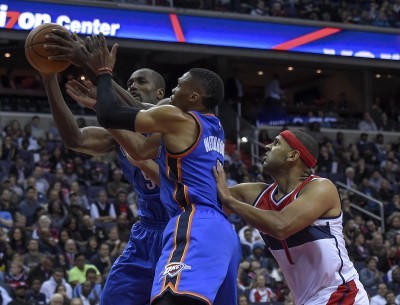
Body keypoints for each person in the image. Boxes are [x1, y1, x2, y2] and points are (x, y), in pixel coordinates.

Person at [62, 33, 241, 305]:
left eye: (178, 86)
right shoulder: (212, 124)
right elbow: (140, 149)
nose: (172, 92)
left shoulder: (177, 118)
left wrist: (102, 71)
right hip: (220, 231)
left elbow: (114, 113)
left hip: (193, 221)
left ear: (194, 95)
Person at [213, 129, 368, 304]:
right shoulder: (255, 193)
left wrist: (230, 201)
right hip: (308, 300)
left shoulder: (321, 188)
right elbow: (204, 197)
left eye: (277, 143)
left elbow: (281, 226)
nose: (267, 146)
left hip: (341, 293)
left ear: (293, 155)